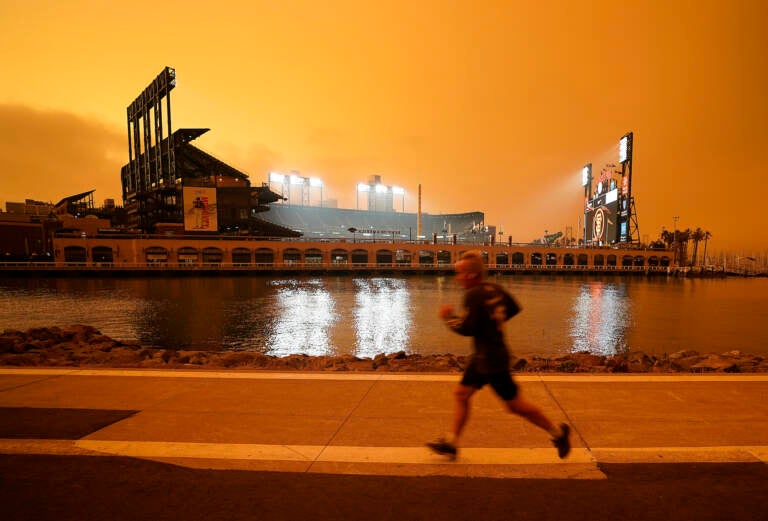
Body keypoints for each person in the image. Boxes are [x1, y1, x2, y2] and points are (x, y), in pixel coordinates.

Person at [427, 250, 571, 459]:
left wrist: (448, 317)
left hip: (492, 360)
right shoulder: (495, 289)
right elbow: (513, 308)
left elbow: (467, 328)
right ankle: (451, 442)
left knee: (515, 406)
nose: (457, 278)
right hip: (483, 356)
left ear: (470, 275)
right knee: (461, 394)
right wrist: (495, 324)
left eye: (459, 273)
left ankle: (558, 433)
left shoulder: (473, 294)